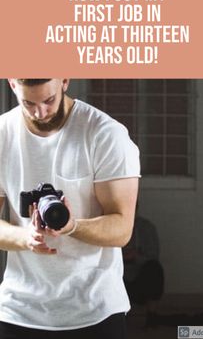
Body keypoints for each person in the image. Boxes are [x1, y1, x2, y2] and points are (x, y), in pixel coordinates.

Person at [0, 79, 140, 339]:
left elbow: (122, 228)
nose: (40, 113)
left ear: (64, 79)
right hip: (19, 310)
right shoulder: (2, 134)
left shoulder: (105, 133)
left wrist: (72, 226)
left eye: (48, 100)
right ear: (11, 83)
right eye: (28, 103)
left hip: (95, 309)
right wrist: (26, 238)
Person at [122, 214, 164, 328]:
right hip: (118, 275)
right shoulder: (110, 226)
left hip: (139, 275)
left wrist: (136, 256)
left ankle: (152, 315)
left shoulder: (146, 227)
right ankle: (120, 316)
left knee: (155, 269)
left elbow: (153, 256)